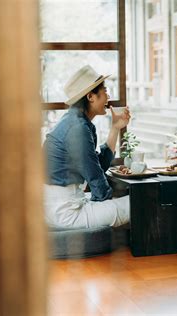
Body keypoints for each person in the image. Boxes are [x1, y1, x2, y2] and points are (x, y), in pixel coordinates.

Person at [43, 65, 130, 228]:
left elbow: (96, 166)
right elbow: (96, 179)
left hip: (60, 207)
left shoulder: (75, 122)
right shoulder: (78, 128)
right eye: (104, 90)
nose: (108, 96)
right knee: (137, 203)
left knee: (126, 201)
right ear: (91, 96)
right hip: (65, 213)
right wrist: (106, 203)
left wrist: (115, 128)